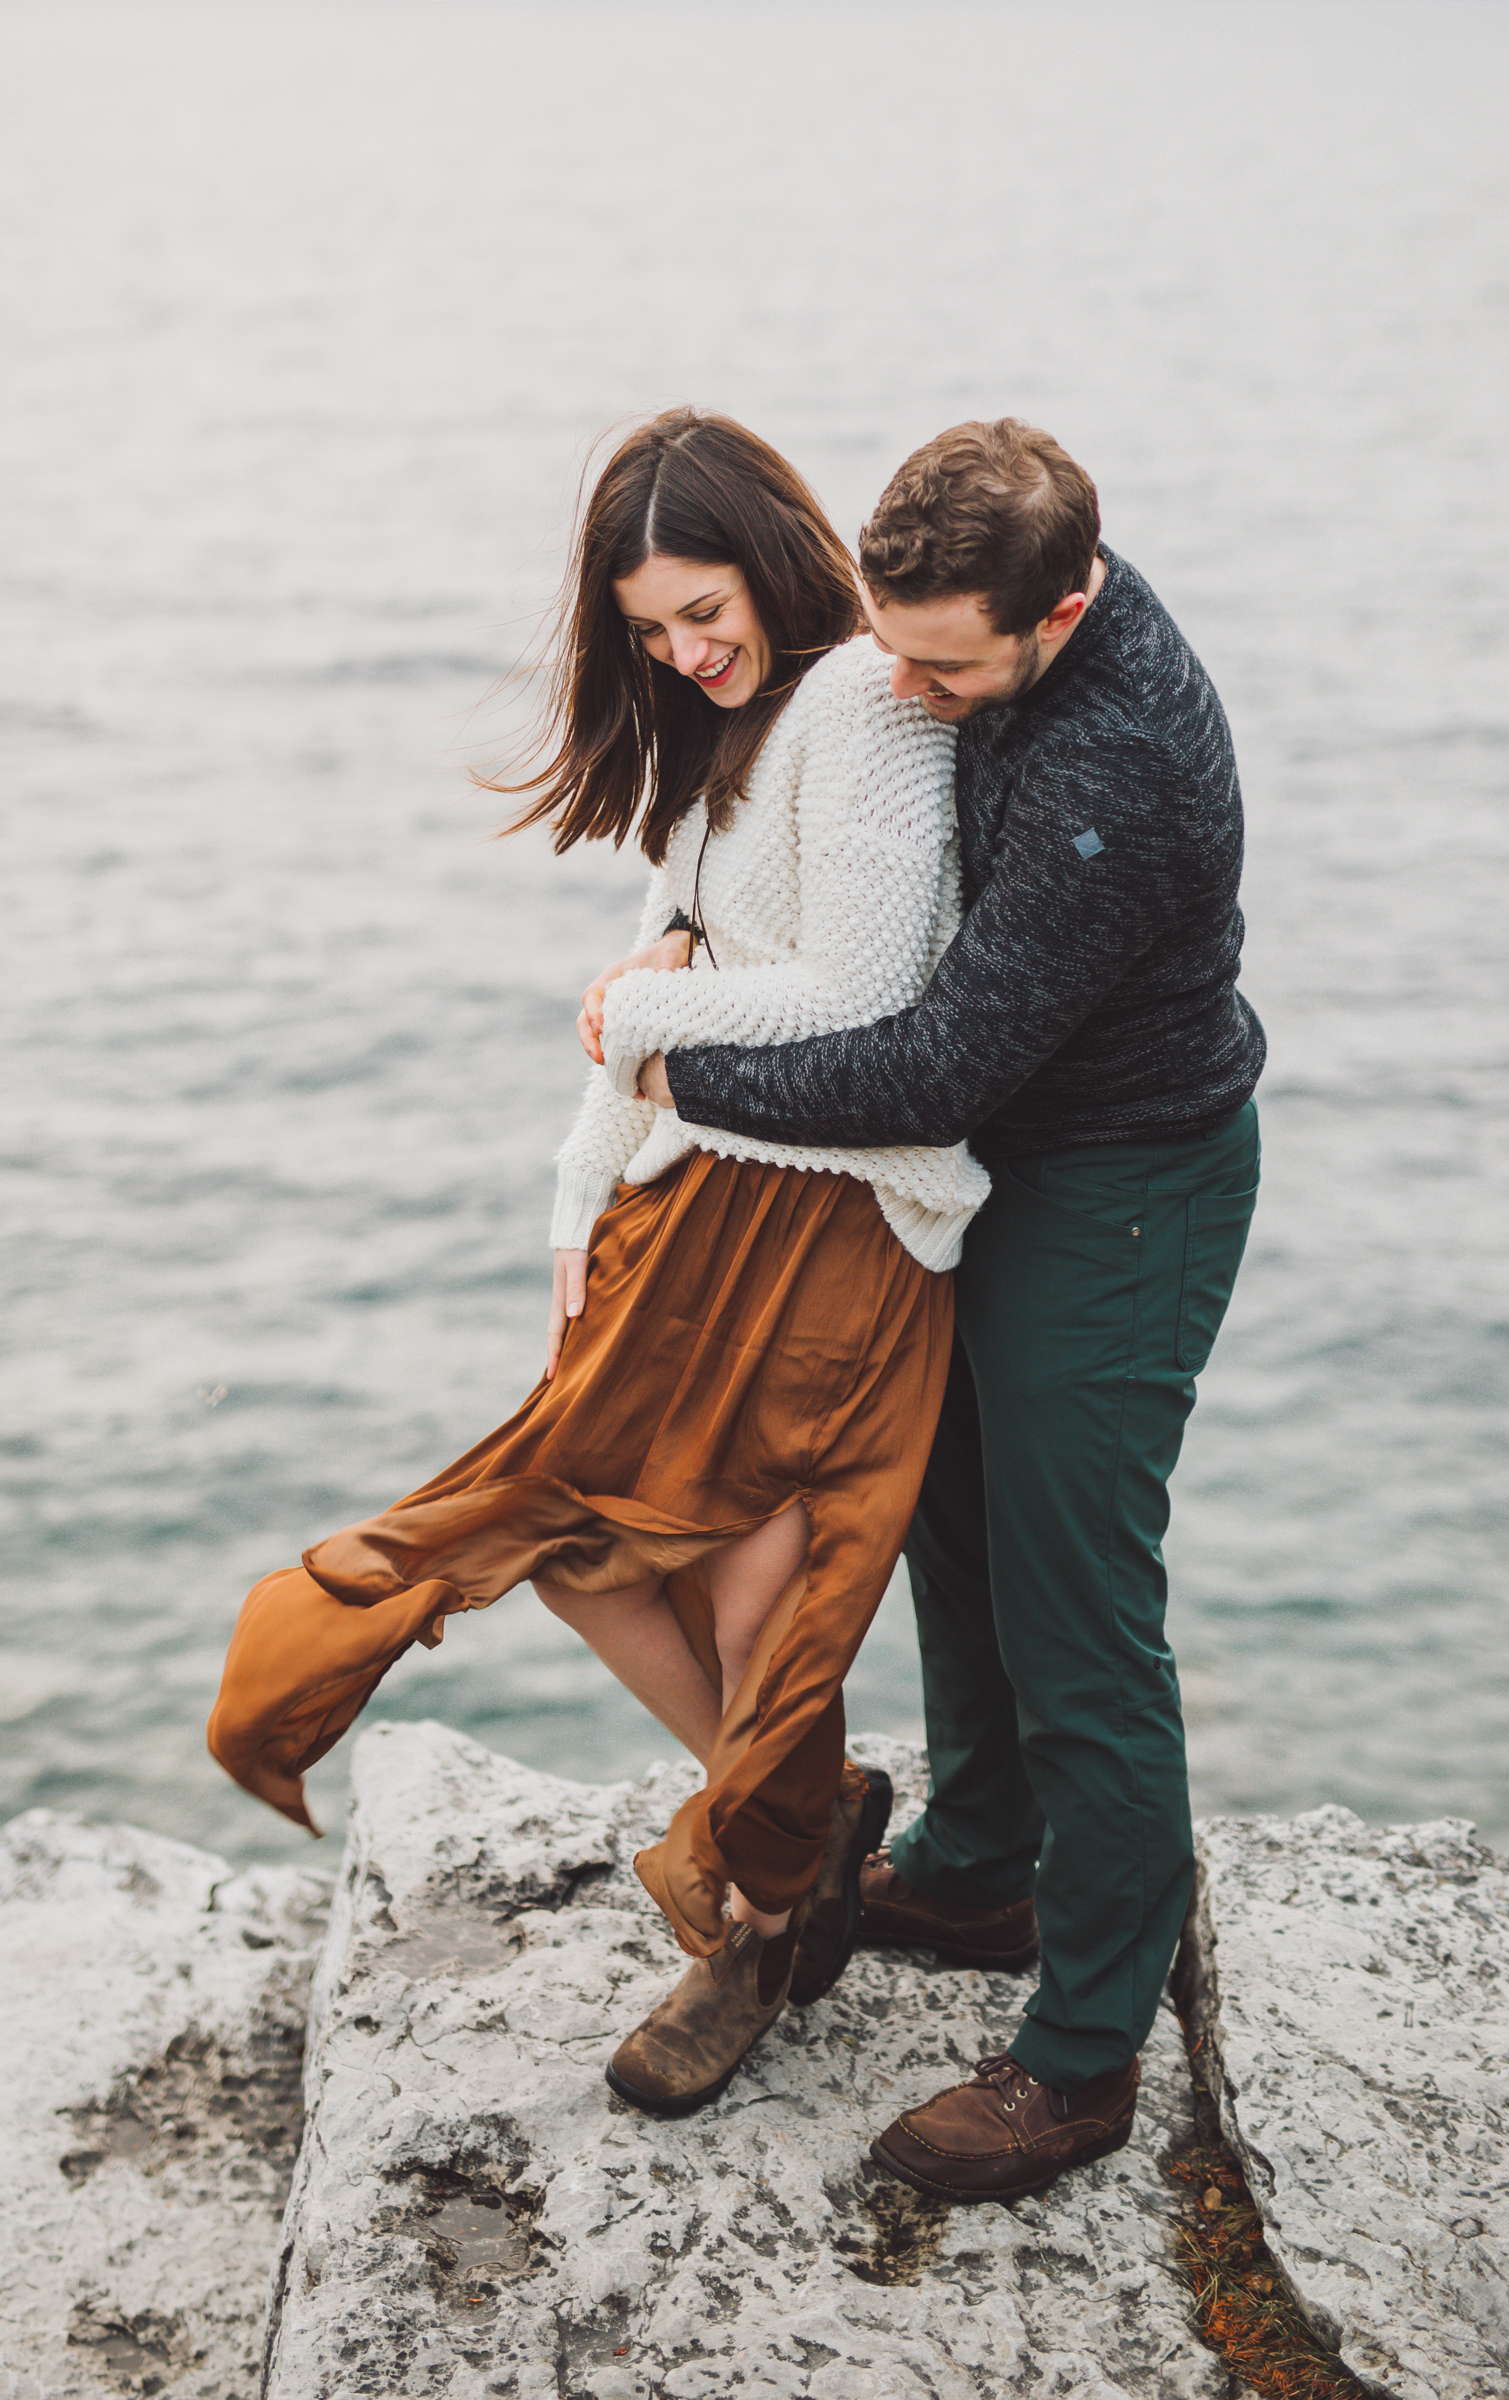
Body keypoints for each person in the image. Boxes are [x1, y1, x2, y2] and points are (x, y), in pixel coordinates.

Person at [206, 407, 990, 2116]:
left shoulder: (864, 708)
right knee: (576, 1547)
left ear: (780, 564)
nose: (686, 651)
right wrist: (575, 1203)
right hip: (687, 1212)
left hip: (839, 1223)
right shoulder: (712, 752)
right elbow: (651, 986)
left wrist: (646, 1015)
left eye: (704, 611)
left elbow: (862, 997)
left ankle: (761, 1922)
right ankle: (798, 1838)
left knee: (741, 1588)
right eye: (649, 631)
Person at [602, 418, 1265, 2198]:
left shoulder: (1114, 761)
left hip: (1122, 1192)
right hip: (1009, 1169)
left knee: (1080, 1619)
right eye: (888, 642)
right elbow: (783, 826)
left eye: (941, 664)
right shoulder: (968, 623)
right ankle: (980, 1870)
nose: (899, 685)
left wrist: (687, 1082)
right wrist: (682, 927)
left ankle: (1085, 2056)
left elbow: (943, 1057)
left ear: (1061, 611)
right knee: (950, 1529)